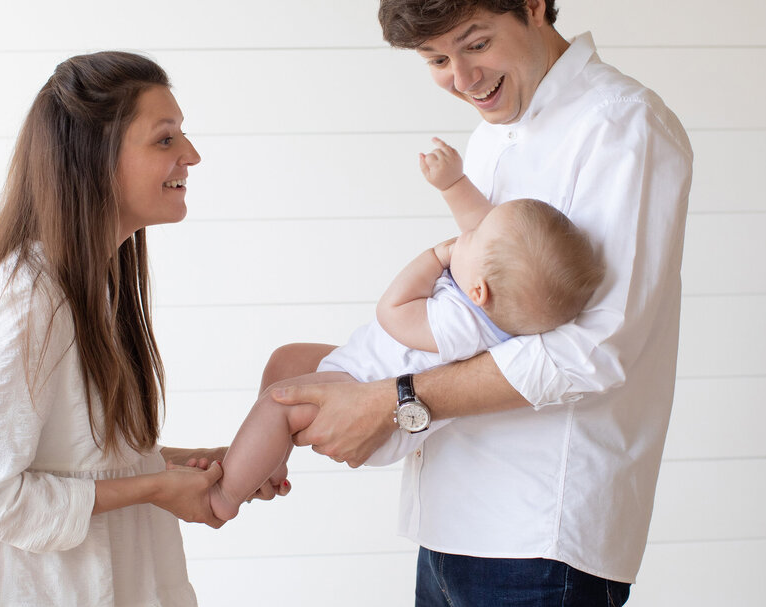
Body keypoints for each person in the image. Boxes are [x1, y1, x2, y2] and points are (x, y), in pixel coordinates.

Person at [269, 0, 694, 607]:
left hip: (540, 536)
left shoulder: (622, 128)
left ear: (532, 3)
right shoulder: (494, 128)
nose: (463, 79)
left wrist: (394, 400)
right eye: (436, 60)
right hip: (451, 525)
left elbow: (591, 352)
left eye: (475, 44)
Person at [0, 52, 281, 607]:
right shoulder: (30, 300)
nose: (192, 156)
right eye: (165, 139)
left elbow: (71, 457)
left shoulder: (90, 285)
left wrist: (171, 465)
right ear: (94, 158)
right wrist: (154, 488)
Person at [207, 137, 602, 522]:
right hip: (365, 366)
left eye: (472, 239)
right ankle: (266, 463)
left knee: (278, 403)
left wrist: (433, 258)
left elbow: (392, 312)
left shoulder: (459, 326)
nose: (462, 235)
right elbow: (482, 225)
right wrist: (453, 184)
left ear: (478, 290)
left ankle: (224, 497)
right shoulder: (490, 302)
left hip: (367, 395)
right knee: (286, 359)